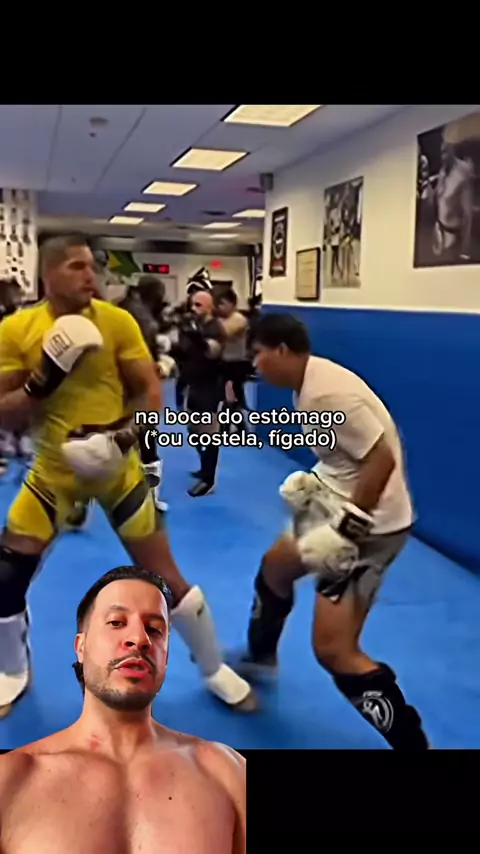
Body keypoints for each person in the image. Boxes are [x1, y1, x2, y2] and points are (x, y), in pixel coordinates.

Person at [0, 234, 255, 717]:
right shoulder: (17, 330)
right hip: (53, 474)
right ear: (48, 274)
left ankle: (213, 669)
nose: (90, 275)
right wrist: (43, 380)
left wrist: (121, 437)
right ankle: (11, 672)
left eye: (91, 266)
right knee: (7, 576)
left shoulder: (117, 321)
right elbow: (5, 414)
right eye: (76, 266)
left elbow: (148, 391)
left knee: (166, 577)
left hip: (118, 471)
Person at [229, 313, 430, 750]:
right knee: (276, 568)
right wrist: (317, 483)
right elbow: (351, 453)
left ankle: (415, 746)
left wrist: (349, 527)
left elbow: (381, 459)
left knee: (334, 650)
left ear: (282, 349)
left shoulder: (327, 394)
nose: (255, 364)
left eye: (259, 353)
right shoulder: (309, 382)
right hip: (336, 504)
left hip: (370, 527)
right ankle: (261, 658)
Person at [0, 565, 246, 853]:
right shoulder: (11, 779)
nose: (139, 639)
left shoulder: (226, 771)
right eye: (116, 623)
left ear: (165, 657)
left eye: (154, 629)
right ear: (81, 647)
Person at [172, 290, 225, 497]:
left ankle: (208, 480)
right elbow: (183, 353)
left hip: (209, 385)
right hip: (190, 383)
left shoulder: (215, 327)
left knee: (209, 432)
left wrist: (198, 339)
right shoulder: (191, 325)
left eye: (199, 305)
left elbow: (213, 352)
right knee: (193, 431)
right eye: (192, 305)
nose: (194, 309)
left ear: (210, 307)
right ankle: (204, 466)